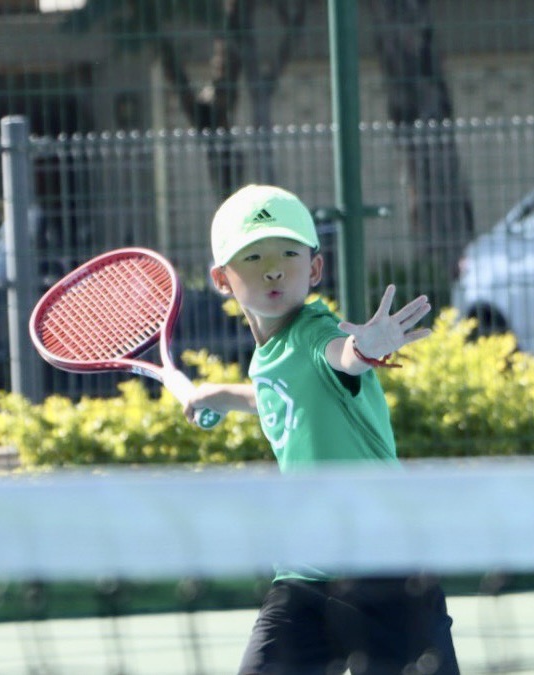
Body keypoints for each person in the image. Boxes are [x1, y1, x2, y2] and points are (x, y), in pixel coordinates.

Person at [184, 184, 460, 675]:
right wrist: (224, 397)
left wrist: (366, 350)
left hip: (388, 578)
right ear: (222, 279)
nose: (273, 267)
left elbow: (341, 360)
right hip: (306, 578)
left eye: (289, 253)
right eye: (253, 256)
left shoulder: (316, 332)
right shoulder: (270, 354)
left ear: (314, 269)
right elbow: (291, 395)